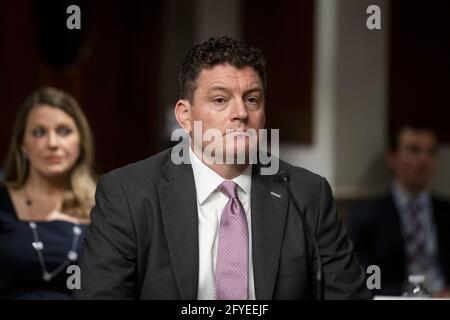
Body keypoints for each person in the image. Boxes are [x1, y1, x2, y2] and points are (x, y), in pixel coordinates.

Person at [74, 36, 369, 300]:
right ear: (185, 116)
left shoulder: (307, 194)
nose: (240, 113)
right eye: (220, 100)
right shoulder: (128, 194)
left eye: (252, 99)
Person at [0, 86, 97, 299]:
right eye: (39, 132)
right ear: (22, 145)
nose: (52, 143)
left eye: (64, 131)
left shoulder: (105, 208)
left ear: (80, 141)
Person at [347, 124, 450, 297]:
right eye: (414, 150)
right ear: (392, 157)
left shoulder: (447, 213)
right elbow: (360, 279)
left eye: (430, 152)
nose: (423, 159)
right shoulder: (366, 216)